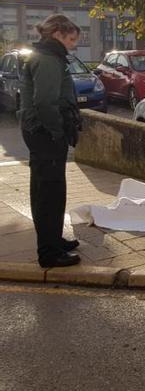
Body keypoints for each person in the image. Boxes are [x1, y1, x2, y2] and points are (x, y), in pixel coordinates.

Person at [19, 14, 83, 267]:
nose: (73, 45)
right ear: (56, 33)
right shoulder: (47, 59)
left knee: (48, 189)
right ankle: (49, 252)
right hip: (46, 134)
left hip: (40, 131)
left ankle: (53, 240)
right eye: (70, 39)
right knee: (50, 193)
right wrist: (57, 131)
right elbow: (45, 102)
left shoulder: (46, 55)